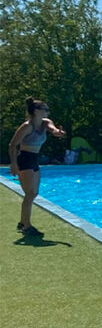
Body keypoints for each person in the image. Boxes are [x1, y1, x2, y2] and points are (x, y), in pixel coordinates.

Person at [7, 97, 66, 236]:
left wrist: (58, 132)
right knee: (30, 194)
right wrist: (14, 164)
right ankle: (26, 227)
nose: (48, 112)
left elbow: (53, 129)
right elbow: (13, 145)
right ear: (37, 111)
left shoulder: (45, 123)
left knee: (34, 193)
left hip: (34, 159)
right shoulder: (27, 126)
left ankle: (22, 222)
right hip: (25, 159)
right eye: (46, 109)